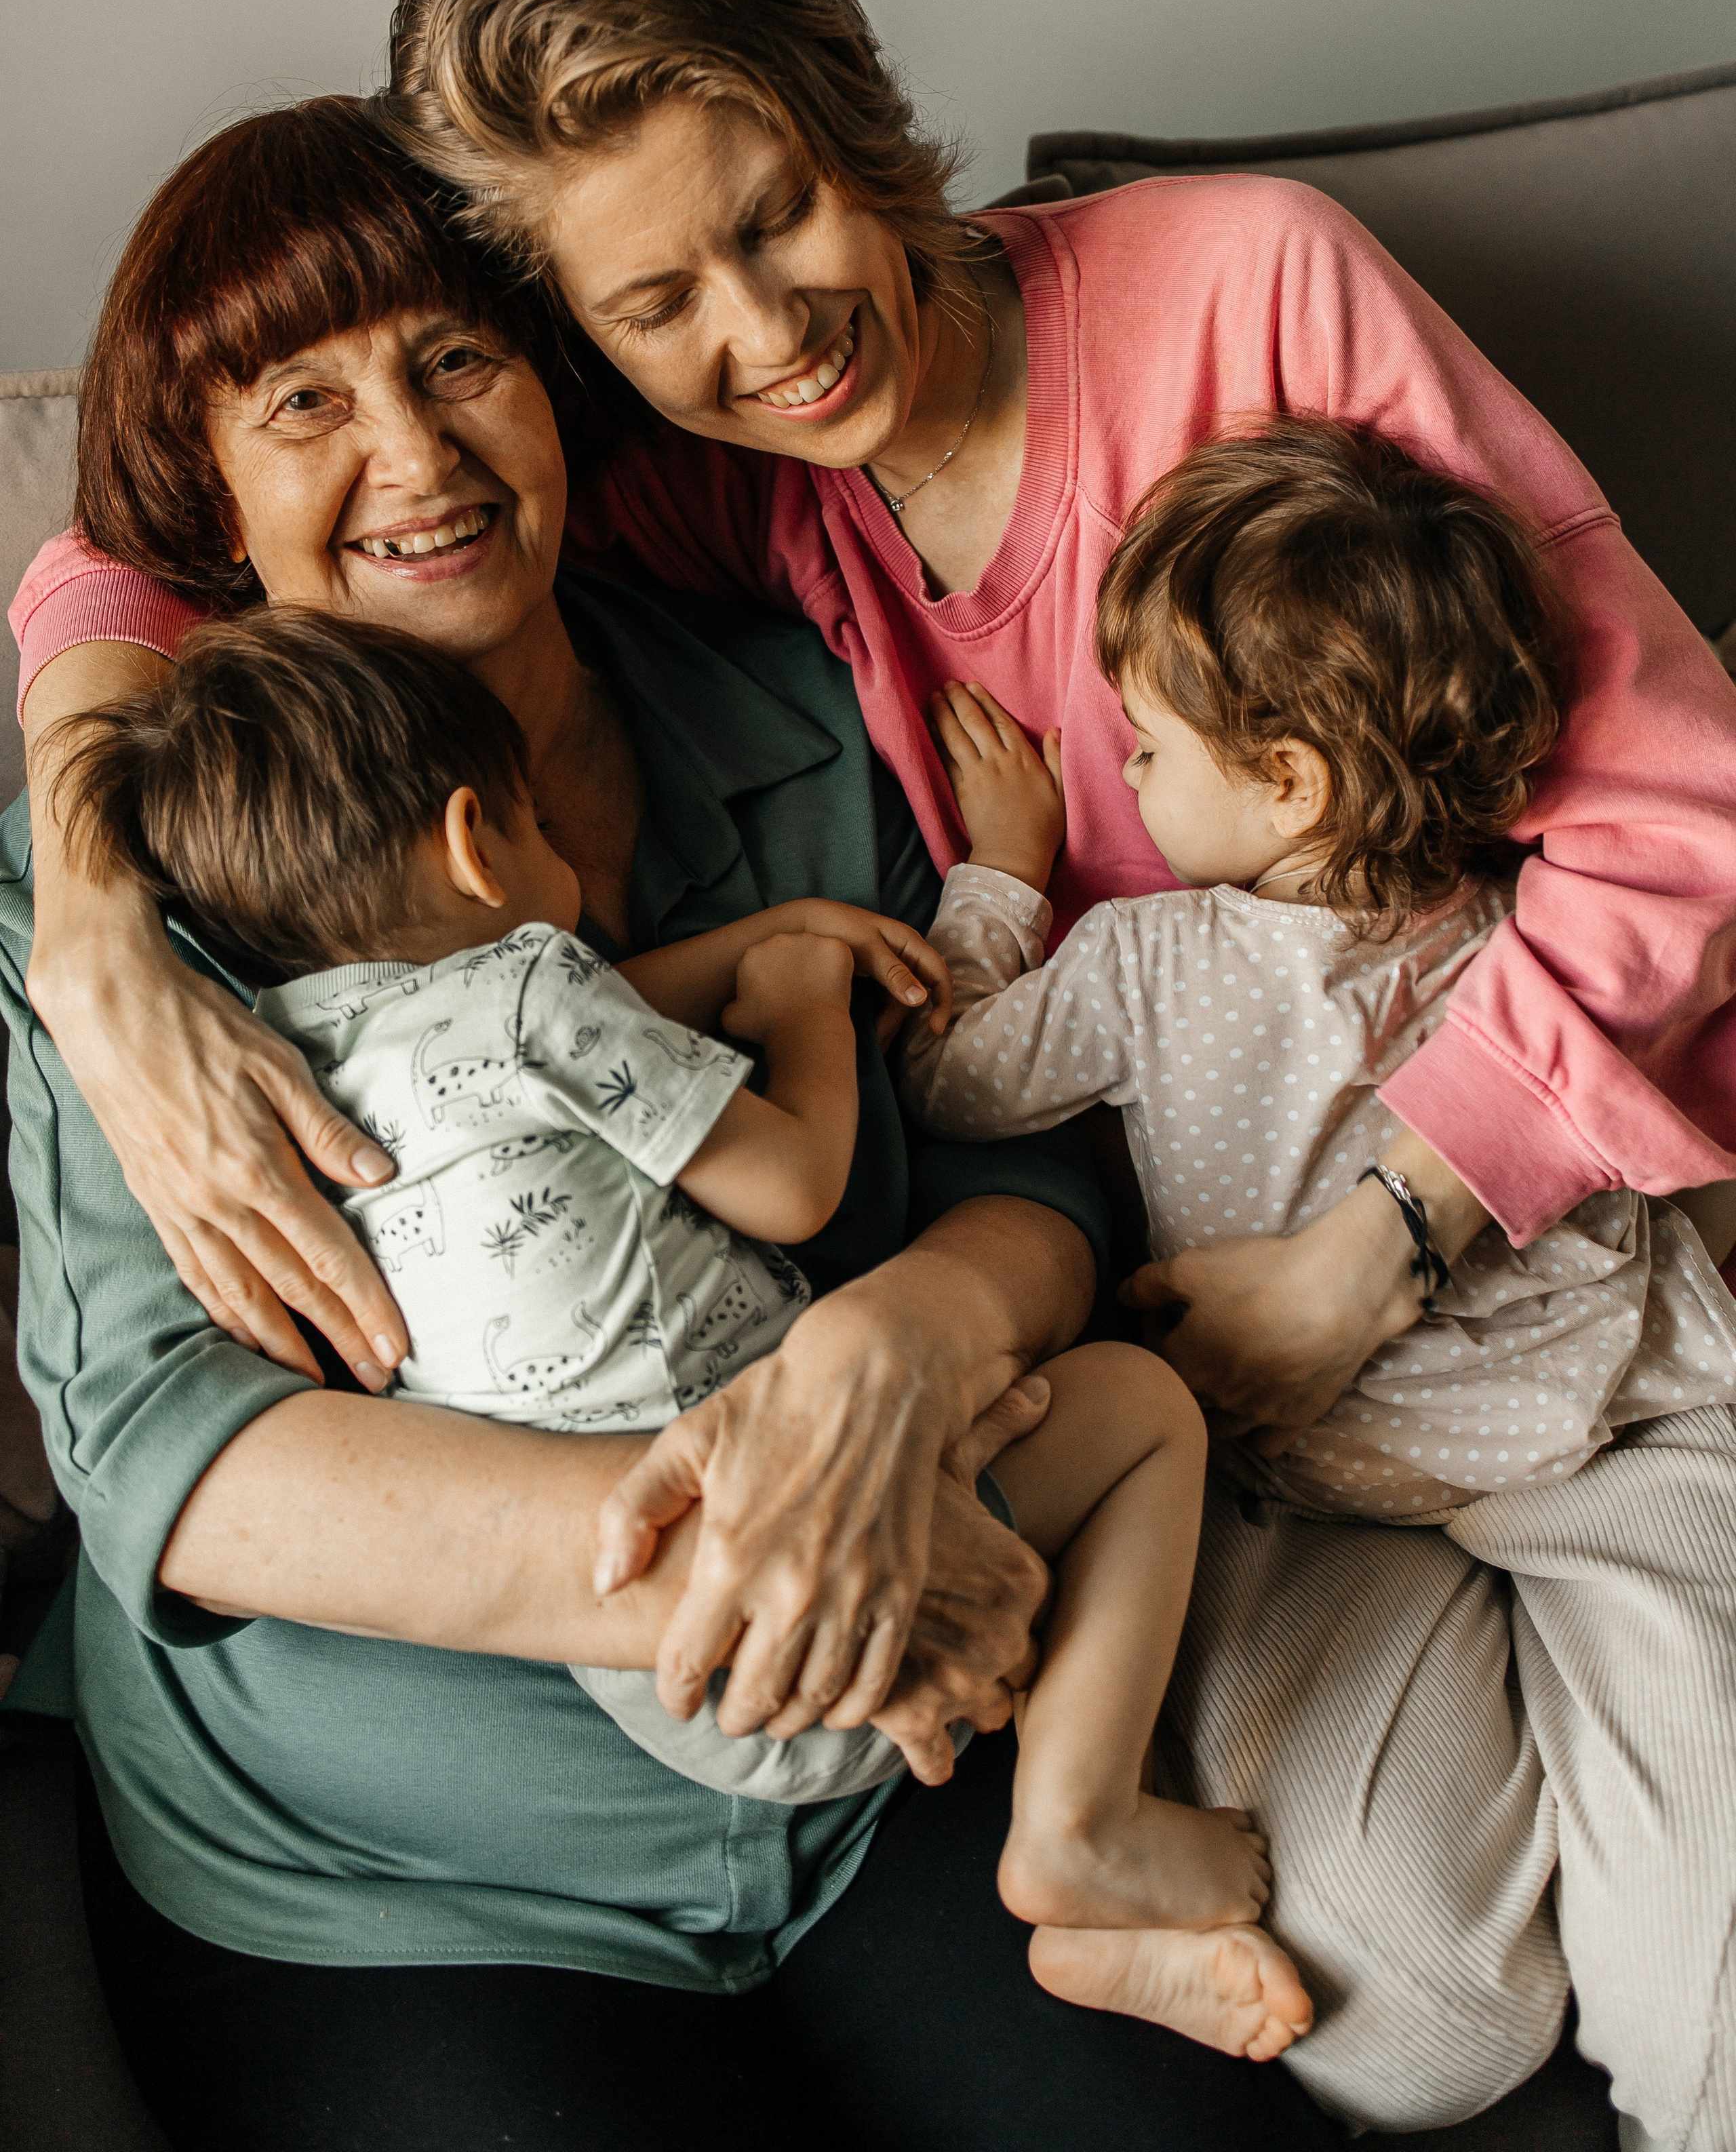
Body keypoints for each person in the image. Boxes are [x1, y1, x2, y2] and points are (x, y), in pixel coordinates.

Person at [14, 0, 1736, 2132]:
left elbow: (1658, 815)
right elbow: (149, 523)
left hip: (1486, 1316)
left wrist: (1085, 1308)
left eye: (774, 212)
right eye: (656, 302)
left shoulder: (919, 525)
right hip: (533, 1813)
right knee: (1426, 2026)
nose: (760, 327)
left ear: (852, 107)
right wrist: (83, 893)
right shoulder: (681, 532)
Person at [4, 99, 1344, 2151]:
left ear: (556, 385)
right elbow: (175, 1460)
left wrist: (897, 1353)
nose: (419, 460)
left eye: (458, 361)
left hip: (888, 1788)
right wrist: (822, 1570)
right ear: (204, 486)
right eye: (305, 402)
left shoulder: (797, 702)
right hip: (399, 1888)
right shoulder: (108, 889)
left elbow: (1030, 1152)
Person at [55, 600, 1312, 2062]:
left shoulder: (296, 1045)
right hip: (824, 1606)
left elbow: (561, 1029)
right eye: (534, 823)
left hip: (655, 1665)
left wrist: (734, 947)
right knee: (1139, 1410)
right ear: (479, 838)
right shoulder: (538, 985)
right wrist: (801, 1006)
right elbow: (791, 1185)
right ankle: (1080, 1826)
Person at [894, 421, 1736, 2143]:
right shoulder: (1520, 926)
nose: (1122, 775)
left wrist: (997, 874)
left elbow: (940, 1079)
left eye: (1143, 744)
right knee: (1425, 2026)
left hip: (1618, 1452)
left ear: (1285, 781)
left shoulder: (1137, 958)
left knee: (1705, 1984)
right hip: (1323, 1522)